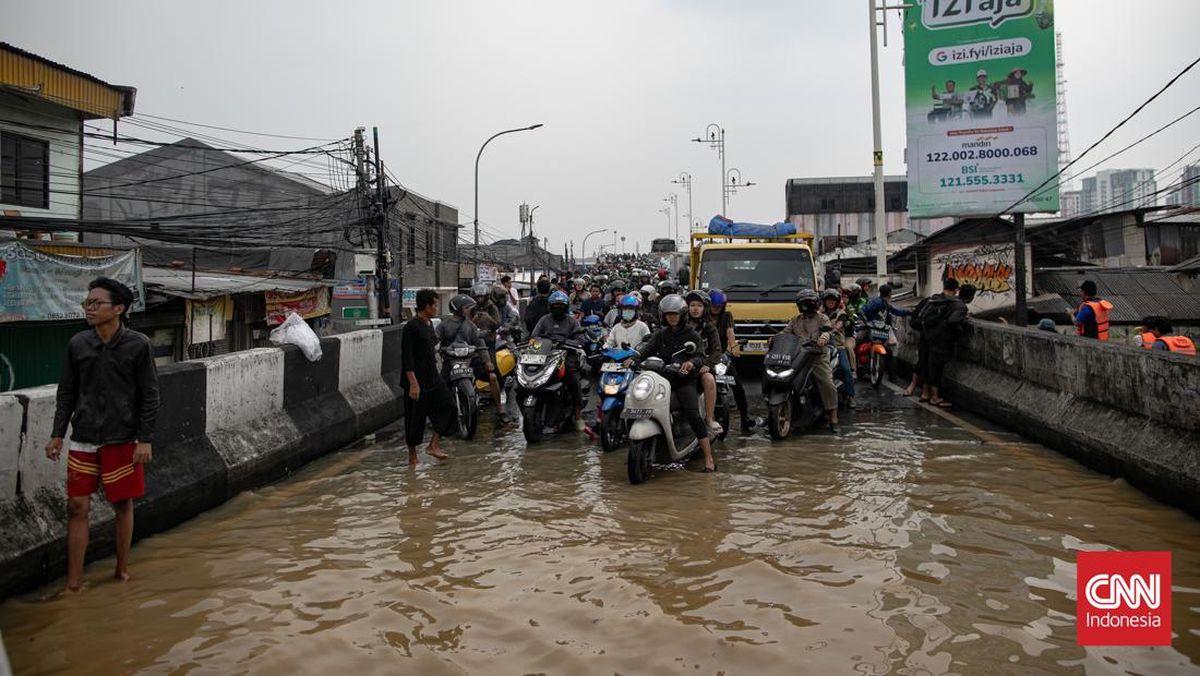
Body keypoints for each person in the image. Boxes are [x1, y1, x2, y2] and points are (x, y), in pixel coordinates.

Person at [46, 277, 158, 592]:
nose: (89, 309)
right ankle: (74, 583)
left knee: (122, 505)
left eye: (96, 303)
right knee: (76, 507)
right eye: (87, 303)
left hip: (122, 439)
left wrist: (145, 438)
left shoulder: (138, 345)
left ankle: (121, 571)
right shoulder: (78, 344)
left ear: (119, 308)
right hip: (83, 437)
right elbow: (66, 392)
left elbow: (149, 395)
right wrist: (57, 434)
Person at [626, 294, 716, 472]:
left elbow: (700, 356)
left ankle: (709, 458)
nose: (672, 317)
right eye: (669, 315)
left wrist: (691, 363)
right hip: (663, 378)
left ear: (682, 315)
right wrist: (633, 359)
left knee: (693, 415)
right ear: (664, 316)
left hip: (684, 380)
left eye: (675, 314)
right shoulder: (660, 335)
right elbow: (645, 350)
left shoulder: (691, 334)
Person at [402, 290, 454, 465]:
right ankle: (412, 458)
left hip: (432, 377)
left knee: (448, 406)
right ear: (427, 306)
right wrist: (413, 384)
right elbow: (407, 358)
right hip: (417, 380)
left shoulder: (429, 324)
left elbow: (433, 345)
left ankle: (434, 444)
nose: (437, 308)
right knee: (414, 418)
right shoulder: (411, 327)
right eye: (435, 304)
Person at [779, 289, 840, 433]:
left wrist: (824, 338)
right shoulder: (796, 320)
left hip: (817, 356)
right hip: (798, 357)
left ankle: (833, 417)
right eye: (803, 303)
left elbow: (828, 331)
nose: (806, 306)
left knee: (826, 382)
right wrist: (775, 338)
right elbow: (785, 333)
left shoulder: (822, 318)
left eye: (809, 302)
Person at [440, 293, 506, 424]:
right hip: (451, 361)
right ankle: (440, 415)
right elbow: (435, 338)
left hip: (471, 359)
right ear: (458, 309)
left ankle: (500, 410)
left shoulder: (470, 326)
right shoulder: (444, 324)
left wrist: (487, 361)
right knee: (440, 386)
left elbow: (480, 344)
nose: (469, 310)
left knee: (493, 377)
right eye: (466, 308)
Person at [532, 290, 586, 430]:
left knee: (573, 381)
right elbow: (534, 337)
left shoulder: (572, 321)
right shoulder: (544, 320)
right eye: (555, 306)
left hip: (567, 356)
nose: (558, 308)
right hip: (546, 356)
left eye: (560, 306)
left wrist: (567, 341)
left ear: (566, 306)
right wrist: (543, 340)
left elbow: (580, 339)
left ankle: (578, 414)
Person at [708, 288, 752, 433]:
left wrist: (733, 347)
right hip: (705, 357)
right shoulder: (703, 317)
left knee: (737, 386)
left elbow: (730, 332)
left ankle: (745, 419)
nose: (716, 309)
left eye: (718, 307)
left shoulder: (727, 316)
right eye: (713, 306)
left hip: (721, 356)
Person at [685, 289, 724, 436]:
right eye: (692, 305)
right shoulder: (682, 327)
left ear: (705, 308)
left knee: (708, 379)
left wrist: (707, 364)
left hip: (703, 368)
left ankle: (709, 418)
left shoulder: (709, 328)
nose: (695, 309)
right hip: (681, 366)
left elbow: (716, 351)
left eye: (699, 306)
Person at [821, 288, 857, 409]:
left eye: (833, 300)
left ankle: (851, 396)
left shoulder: (841, 313)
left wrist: (832, 330)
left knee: (846, 370)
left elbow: (839, 325)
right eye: (828, 300)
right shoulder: (819, 314)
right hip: (822, 347)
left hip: (838, 347)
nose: (830, 302)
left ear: (836, 302)